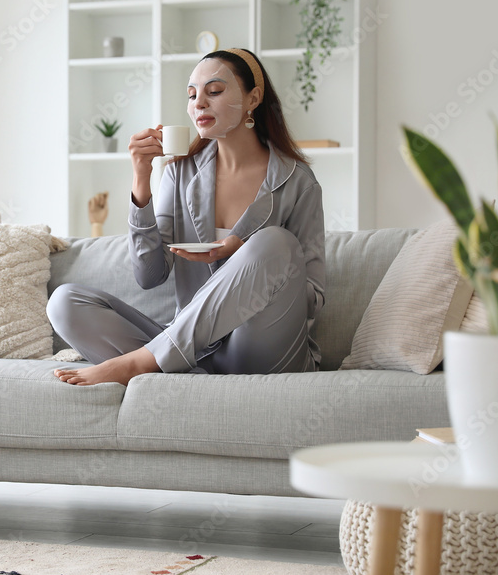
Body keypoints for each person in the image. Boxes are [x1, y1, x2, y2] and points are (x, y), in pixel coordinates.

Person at [47, 48, 325, 386]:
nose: (199, 104)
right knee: (64, 302)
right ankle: (184, 378)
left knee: (275, 242)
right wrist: (141, 179)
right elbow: (150, 275)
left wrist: (247, 257)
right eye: (192, 95)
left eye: (215, 91)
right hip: (197, 353)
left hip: (262, 349)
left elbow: (312, 297)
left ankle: (142, 364)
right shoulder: (179, 173)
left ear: (253, 98)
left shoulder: (298, 181)